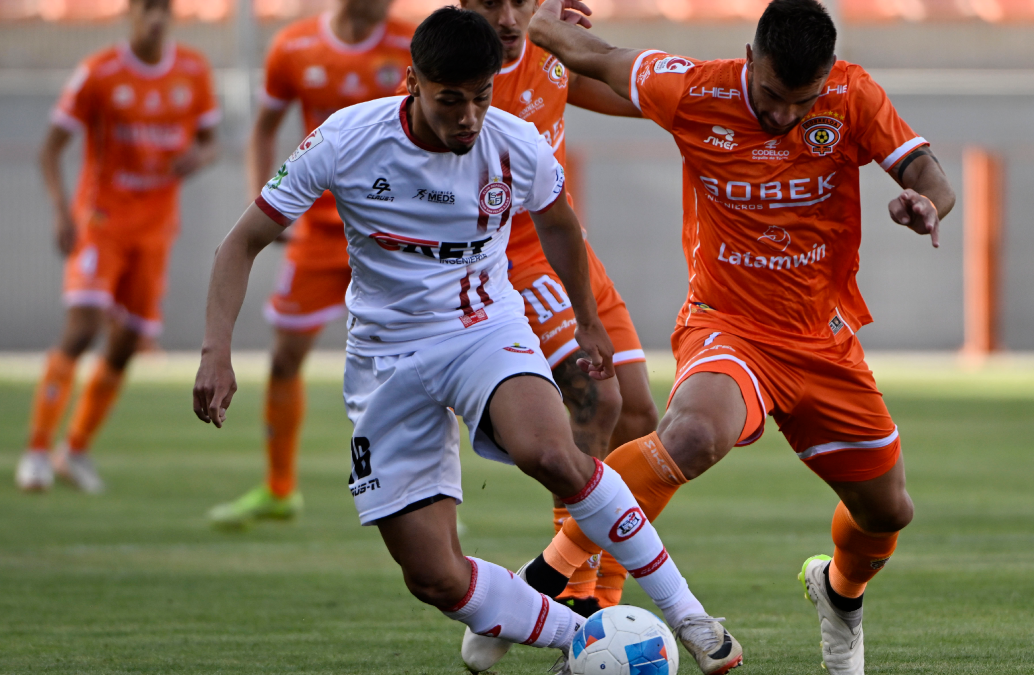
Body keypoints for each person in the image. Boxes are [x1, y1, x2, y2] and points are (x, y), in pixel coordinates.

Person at [190, 8, 740, 674]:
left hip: (483, 329)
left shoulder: (513, 142)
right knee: (434, 576)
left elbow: (559, 226)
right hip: (385, 359)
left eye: (481, 97)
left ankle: (689, 616)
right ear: (412, 83)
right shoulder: (346, 138)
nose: (469, 117)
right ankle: (580, 636)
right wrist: (215, 352)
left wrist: (587, 318)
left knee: (552, 451)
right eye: (451, 100)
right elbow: (240, 243)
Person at [516, 0, 957, 673]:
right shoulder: (695, 89)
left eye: (802, 102)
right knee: (693, 434)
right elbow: (592, 56)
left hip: (821, 340)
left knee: (887, 512)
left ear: (827, 76)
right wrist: (544, 19)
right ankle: (545, 577)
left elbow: (925, 170)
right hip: (728, 326)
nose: (784, 115)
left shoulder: (852, 94)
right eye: (772, 95)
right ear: (750, 59)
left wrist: (928, 203)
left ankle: (839, 593)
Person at [442, 0, 658, 617]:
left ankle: (600, 602)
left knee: (638, 417)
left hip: (566, 249)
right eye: (491, 2)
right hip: (508, 257)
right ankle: (572, 597)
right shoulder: (451, 77)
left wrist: (592, 53)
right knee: (596, 398)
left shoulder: (550, 51)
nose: (509, 18)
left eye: (522, 0)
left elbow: (629, 96)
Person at [206, 0, 416, 527]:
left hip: (395, 232)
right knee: (284, 358)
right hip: (319, 232)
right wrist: (267, 202)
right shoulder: (294, 47)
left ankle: (426, 498)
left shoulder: (414, 41)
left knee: (420, 364)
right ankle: (279, 489)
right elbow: (264, 129)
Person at [15, 0, 220, 494]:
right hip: (101, 220)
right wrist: (61, 211)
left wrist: (199, 156)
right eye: (147, 8)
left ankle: (74, 450)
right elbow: (50, 148)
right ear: (129, 14)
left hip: (155, 228)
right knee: (83, 326)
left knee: (128, 342)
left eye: (163, 9)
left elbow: (210, 140)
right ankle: (37, 451)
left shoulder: (193, 71)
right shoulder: (99, 72)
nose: (156, 18)